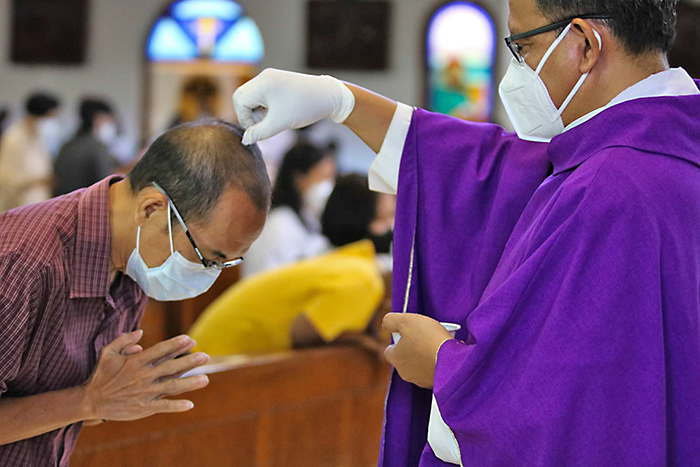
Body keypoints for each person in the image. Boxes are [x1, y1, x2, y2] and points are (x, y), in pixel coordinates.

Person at [232, 0, 700, 464]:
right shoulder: (659, 154)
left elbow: (575, 414)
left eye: (524, 47)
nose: (517, 71)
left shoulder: (610, 189)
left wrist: (443, 365)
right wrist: (343, 102)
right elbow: (494, 172)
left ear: (583, 44)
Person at [0, 120, 271, 465]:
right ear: (151, 209)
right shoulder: (21, 263)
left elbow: (86, 404)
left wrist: (117, 394)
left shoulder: (135, 262)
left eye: (225, 264)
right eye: (208, 258)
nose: (209, 275)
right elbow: (89, 400)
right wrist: (89, 400)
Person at [189, 174, 394, 356]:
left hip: (207, 350)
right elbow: (302, 334)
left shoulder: (357, 262)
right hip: (211, 361)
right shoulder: (364, 281)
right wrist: (358, 341)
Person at [242, 142, 336, 277]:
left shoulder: (304, 218)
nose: (327, 186)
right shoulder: (280, 224)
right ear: (298, 178)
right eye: (322, 177)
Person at [0, 93, 61, 213]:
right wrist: (37, 181)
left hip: (37, 205)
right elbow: (6, 178)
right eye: (51, 116)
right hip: (18, 208)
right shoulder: (15, 137)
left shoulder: (38, 136)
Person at [53, 98, 120, 196]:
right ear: (98, 118)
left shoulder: (67, 145)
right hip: (87, 206)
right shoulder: (97, 147)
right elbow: (104, 184)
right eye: (108, 119)